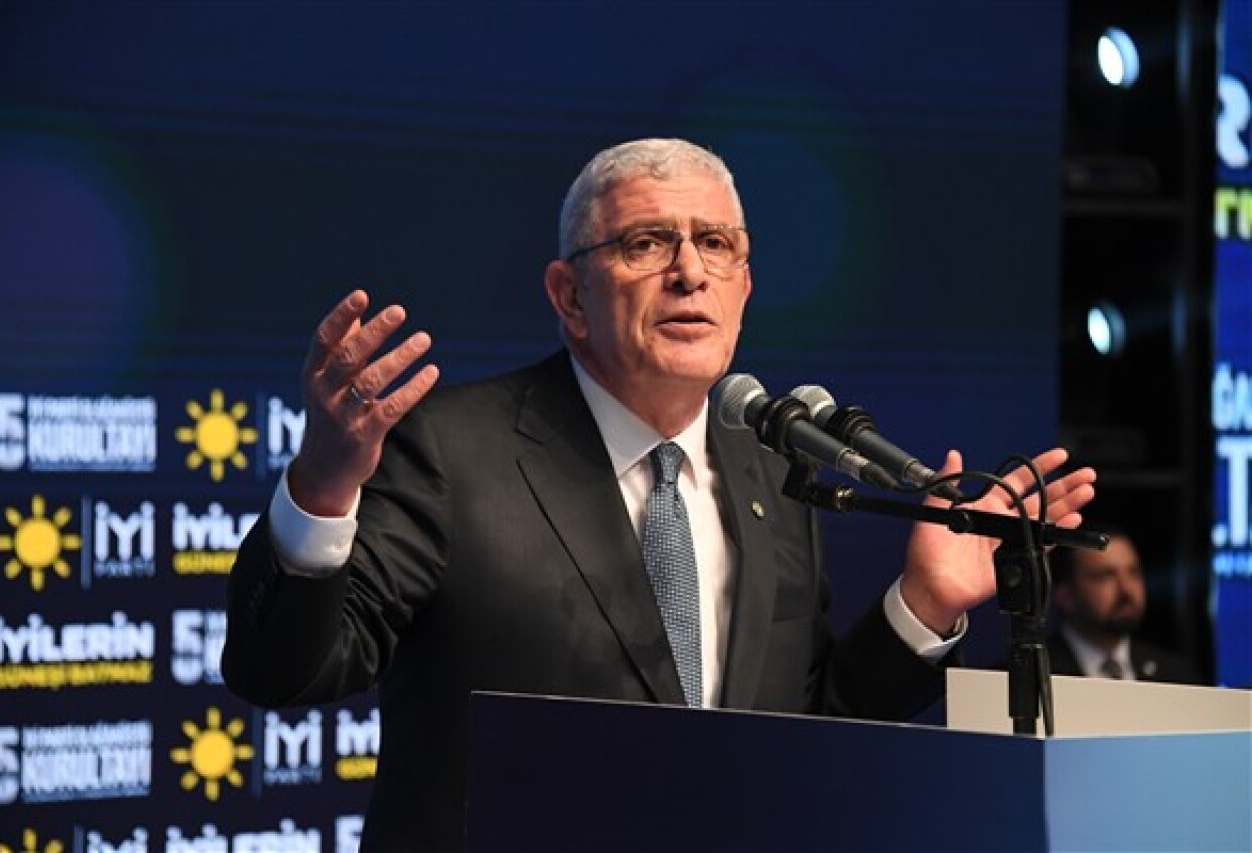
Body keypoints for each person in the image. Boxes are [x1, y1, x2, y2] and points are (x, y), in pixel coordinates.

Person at [221, 138, 1097, 851]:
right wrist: (324, 484)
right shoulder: (453, 449)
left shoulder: (773, 470)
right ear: (569, 296)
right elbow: (285, 670)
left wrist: (924, 603)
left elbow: (795, 735)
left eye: (717, 244)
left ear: (745, 287)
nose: (689, 272)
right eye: (646, 243)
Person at [1046, 523, 1202, 684]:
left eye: (1133, 572)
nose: (1126, 589)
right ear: (1065, 595)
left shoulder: (1174, 674)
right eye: (1105, 575)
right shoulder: (1039, 671)